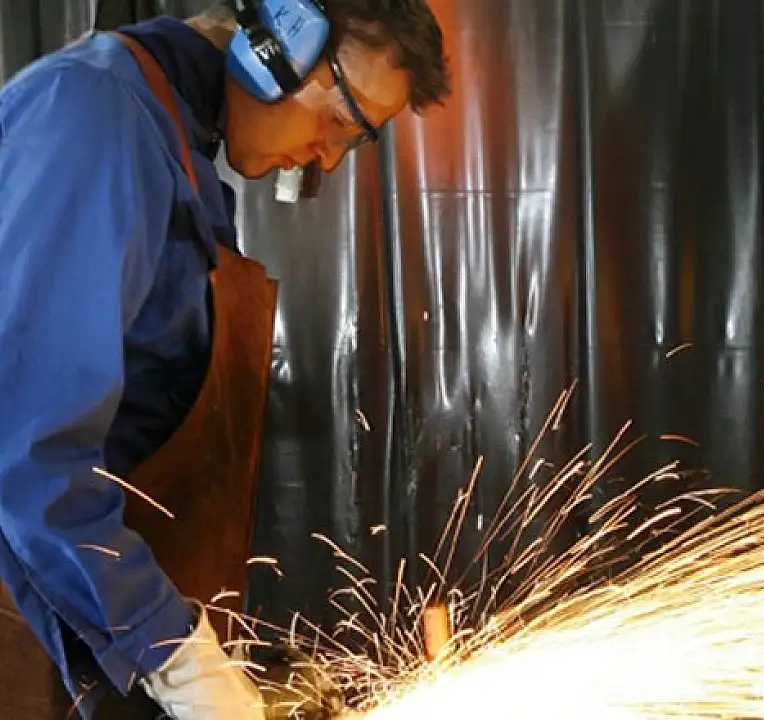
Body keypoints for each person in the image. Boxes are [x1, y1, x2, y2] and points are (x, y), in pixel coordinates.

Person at [0, 1, 449, 718]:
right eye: (341, 120)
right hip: (30, 634)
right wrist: (175, 658)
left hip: (93, 630)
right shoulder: (93, 117)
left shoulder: (176, 147)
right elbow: (25, 451)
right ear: (278, 44)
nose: (329, 157)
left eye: (356, 140)